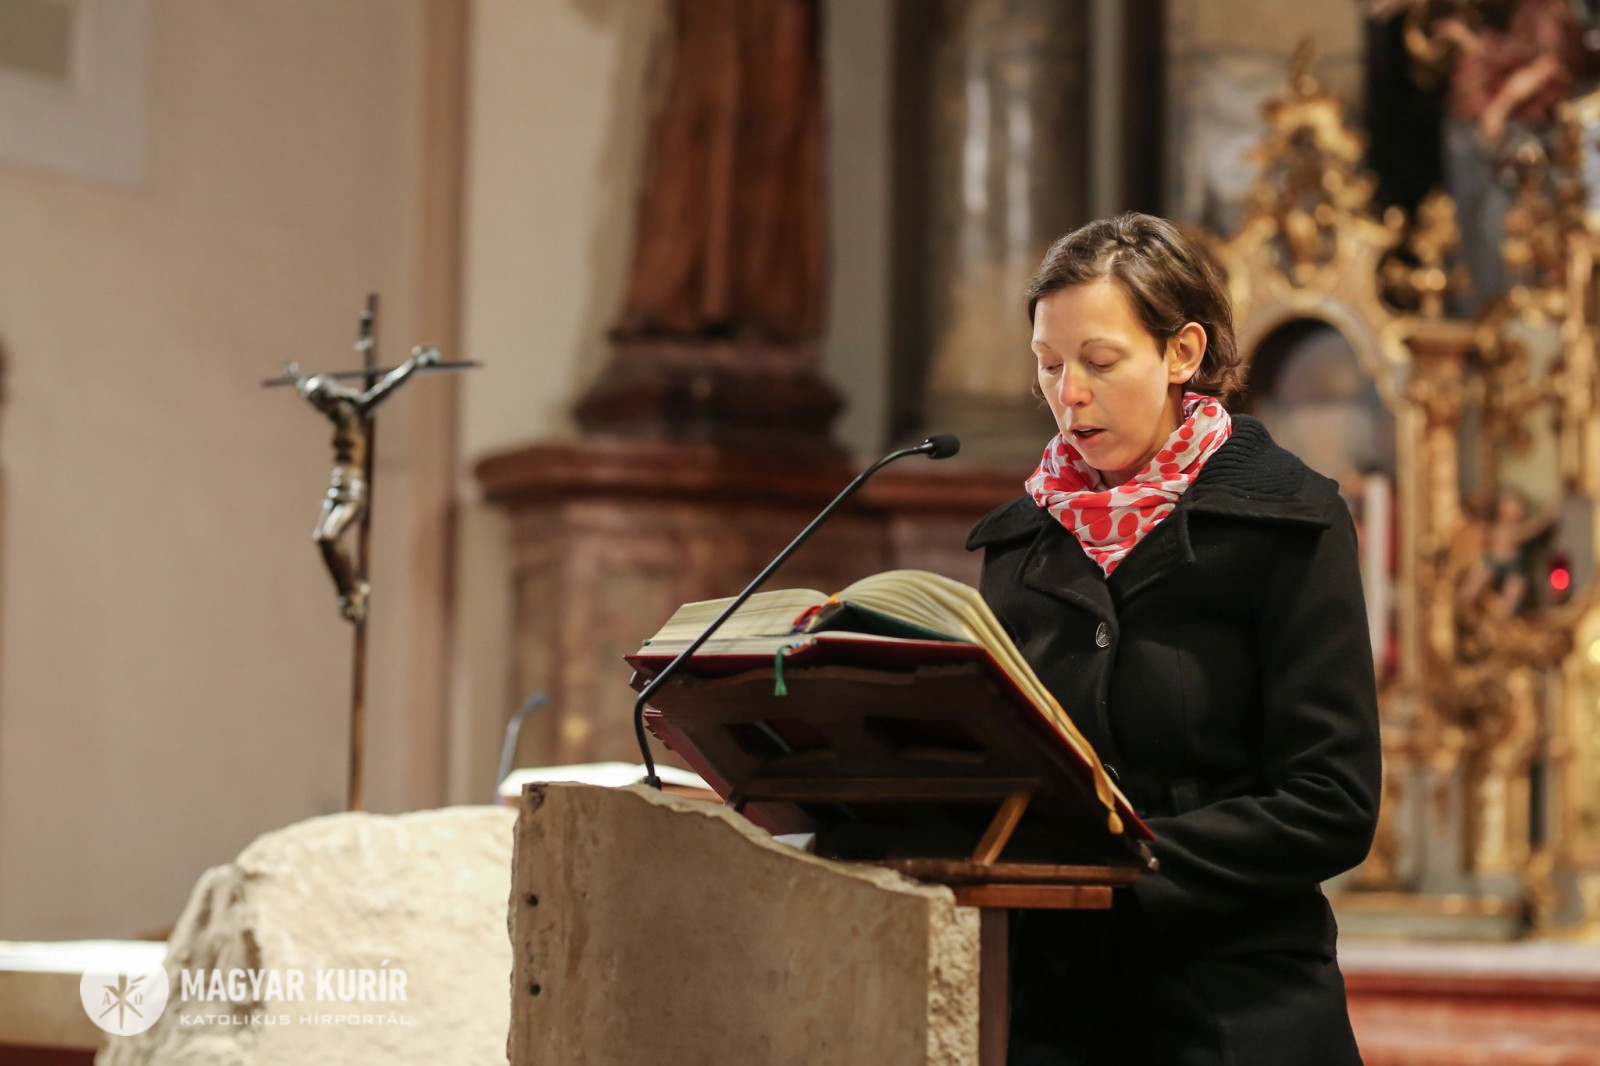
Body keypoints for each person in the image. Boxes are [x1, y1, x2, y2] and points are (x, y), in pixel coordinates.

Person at [965, 213, 1382, 1065]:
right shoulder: (1019, 546)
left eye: (1099, 361)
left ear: (1182, 353)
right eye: (1049, 364)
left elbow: (1332, 803)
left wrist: (1121, 862)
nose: (1068, 393)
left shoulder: (1287, 523)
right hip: (1055, 1018)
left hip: (1236, 1011)